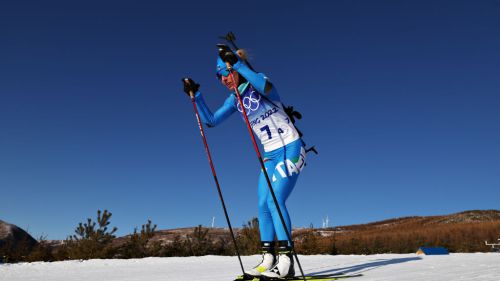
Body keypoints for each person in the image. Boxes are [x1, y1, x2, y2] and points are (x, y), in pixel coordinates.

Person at [182, 45, 306, 279]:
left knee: (275, 199)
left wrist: (238, 65)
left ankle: (286, 260)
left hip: (291, 147)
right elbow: (211, 121)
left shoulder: (259, 82)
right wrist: (196, 96)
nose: (223, 80)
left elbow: (266, 87)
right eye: (219, 76)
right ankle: (268, 258)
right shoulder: (234, 100)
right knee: (262, 204)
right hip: (270, 154)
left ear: (235, 67)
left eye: (226, 73)